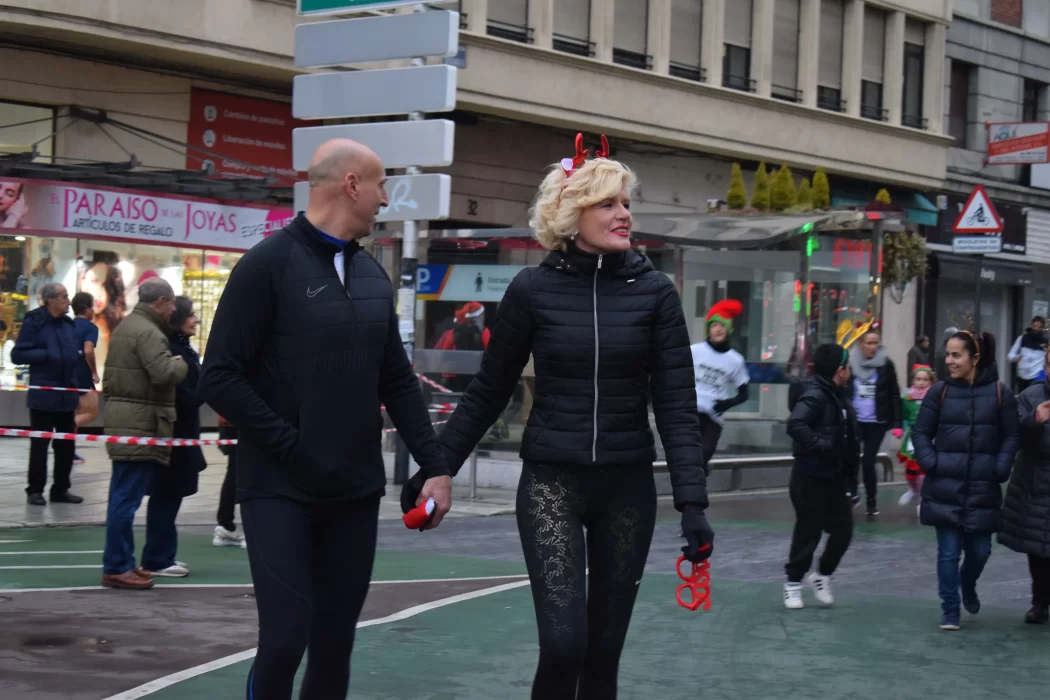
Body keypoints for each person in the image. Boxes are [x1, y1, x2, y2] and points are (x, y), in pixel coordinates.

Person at [403, 134, 712, 699]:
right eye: (608, 203)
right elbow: (489, 390)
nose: (624, 214)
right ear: (572, 214)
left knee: (602, 656)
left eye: (625, 203)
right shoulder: (531, 290)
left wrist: (693, 505)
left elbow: (675, 405)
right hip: (552, 483)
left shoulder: (656, 293)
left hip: (628, 486)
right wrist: (436, 465)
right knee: (564, 644)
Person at [197, 138, 452, 700]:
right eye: (381, 184)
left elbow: (396, 379)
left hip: (354, 492)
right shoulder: (265, 265)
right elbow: (217, 376)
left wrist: (434, 464)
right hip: (277, 489)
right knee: (286, 639)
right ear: (351, 185)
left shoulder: (370, 276)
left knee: (334, 644)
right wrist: (290, 444)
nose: (387, 198)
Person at [912, 330, 1020, 631]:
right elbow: (920, 432)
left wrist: (1001, 467)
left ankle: (967, 583)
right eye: (947, 354)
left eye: (956, 355)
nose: (949, 361)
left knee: (980, 551)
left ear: (975, 358)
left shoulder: (1000, 393)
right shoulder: (939, 391)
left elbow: (1012, 435)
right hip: (944, 484)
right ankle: (950, 610)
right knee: (947, 552)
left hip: (983, 486)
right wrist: (931, 463)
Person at [100, 278, 187, 591]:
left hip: (128, 421)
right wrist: (181, 363)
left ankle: (121, 562)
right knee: (125, 501)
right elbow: (163, 372)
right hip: (139, 424)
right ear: (161, 301)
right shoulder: (148, 332)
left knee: (121, 498)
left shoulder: (130, 325)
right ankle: (117, 566)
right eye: (172, 303)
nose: (175, 309)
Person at [783, 343, 858, 610]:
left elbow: (851, 444)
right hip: (810, 476)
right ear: (840, 370)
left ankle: (822, 575)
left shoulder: (840, 396)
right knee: (809, 530)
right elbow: (795, 424)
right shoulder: (817, 395)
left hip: (835, 478)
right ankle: (793, 584)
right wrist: (821, 444)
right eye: (848, 367)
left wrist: (852, 483)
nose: (850, 372)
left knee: (843, 531)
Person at [139, 296, 206, 578]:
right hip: (172, 435)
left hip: (181, 433)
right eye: (191, 315)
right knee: (165, 496)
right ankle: (157, 559)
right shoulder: (172, 349)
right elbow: (178, 394)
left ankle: (163, 554)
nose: (196, 320)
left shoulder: (182, 348)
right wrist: (206, 393)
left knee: (169, 497)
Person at [11, 282, 83, 506]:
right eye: (64, 297)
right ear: (50, 300)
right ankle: (35, 490)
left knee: (66, 445)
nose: (68, 301)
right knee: (41, 445)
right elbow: (18, 354)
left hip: (66, 394)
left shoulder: (68, 325)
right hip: (43, 394)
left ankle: (61, 489)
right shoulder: (35, 322)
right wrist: (48, 354)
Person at [998, 348, 1050, 625]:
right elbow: (1014, 436)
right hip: (1035, 484)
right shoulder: (1031, 396)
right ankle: (1040, 602)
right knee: (1038, 549)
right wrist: (1034, 422)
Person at [845, 330, 902, 516]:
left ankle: (871, 501)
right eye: (869, 343)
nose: (873, 347)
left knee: (868, 461)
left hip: (876, 421)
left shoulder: (885, 364)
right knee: (851, 459)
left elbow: (894, 393)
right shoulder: (851, 363)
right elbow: (844, 389)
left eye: (876, 343)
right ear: (861, 344)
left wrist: (897, 422)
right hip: (855, 420)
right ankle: (852, 496)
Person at [690, 299, 749, 465]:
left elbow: (744, 394)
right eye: (714, 325)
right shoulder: (695, 351)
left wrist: (726, 404)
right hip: (689, 411)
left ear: (728, 329)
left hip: (712, 416)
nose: (718, 329)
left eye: (722, 326)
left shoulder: (735, 360)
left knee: (705, 451)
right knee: (688, 456)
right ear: (708, 329)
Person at [897, 365, 935, 509]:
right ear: (913, 380)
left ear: (931, 382)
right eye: (918, 379)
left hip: (929, 436)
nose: (921, 382)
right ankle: (912, 490)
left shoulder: (934, 398)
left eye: (925, 379)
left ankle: (922, 501)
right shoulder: (907, 399)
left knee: (924, 472)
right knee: (911, 472)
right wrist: (899, 428)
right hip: (913, 437)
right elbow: (902, 416)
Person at [71, 292, 100, 465]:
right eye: (92, 307)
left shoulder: (67, 325)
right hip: (82, 374)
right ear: (87, 309)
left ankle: (69, 450)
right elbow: (88, 349)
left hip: (67, 374)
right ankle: (63, 431)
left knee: (75, 411)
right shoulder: (90, 328)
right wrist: (94, 372)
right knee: (91, 411)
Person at [213, 415, 245, 548]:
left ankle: (225, 525)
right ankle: (226, 525)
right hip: (242, 419)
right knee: (238, 472)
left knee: (235, 472)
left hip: (235, 418)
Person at [1008, 316, 1048, 393]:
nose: (1036, 329)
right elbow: (1010, 355)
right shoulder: (1022, 338)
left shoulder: (1046, 342)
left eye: (1039, 327)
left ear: (1042, 328)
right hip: (1022, 377)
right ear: (1032, 325)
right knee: (1022, 399)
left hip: (1037, 377)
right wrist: (1015, 358)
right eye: (1035, 326)